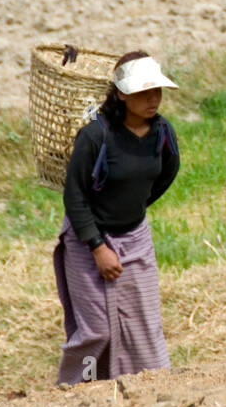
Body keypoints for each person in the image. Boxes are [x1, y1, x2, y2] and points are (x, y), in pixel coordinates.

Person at [54, 51, 180, 385]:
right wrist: (97, 246)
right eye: (142, 92)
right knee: (96, 330)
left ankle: (146, 392)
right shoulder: (96, 136)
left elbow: (166, 174)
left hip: (134, 237)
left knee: (144, 327)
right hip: (87, 239)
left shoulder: (163, 132)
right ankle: (75, 395)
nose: (152, 99)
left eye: (156, 91)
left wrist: (132, 210)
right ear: (121, 94)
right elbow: (75, 196)